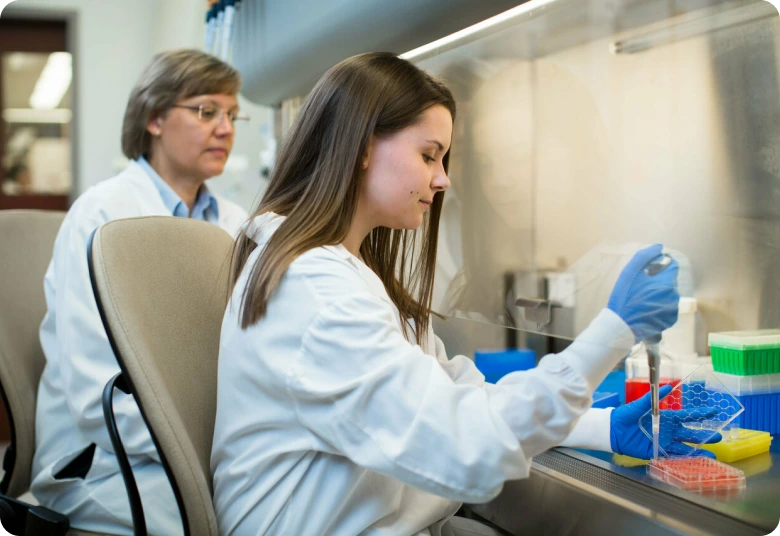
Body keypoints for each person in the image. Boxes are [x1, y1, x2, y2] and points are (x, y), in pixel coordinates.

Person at [211, 52, 714, 536]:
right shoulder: (315, 293)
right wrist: (613, 332)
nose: (443, 178)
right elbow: (462, 444)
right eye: (428, 154)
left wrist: (601, 428)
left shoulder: (345, 272)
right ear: (363, 147)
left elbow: (460, 397)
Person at [32, 49, 248, 535]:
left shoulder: (234, 224)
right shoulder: (103, 218)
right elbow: (96, 396)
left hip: (203, 448)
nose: (226, 128)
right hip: (108, 459)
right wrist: (211, 449)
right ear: (154, 117)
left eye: (233, 114)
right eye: (207, 110)